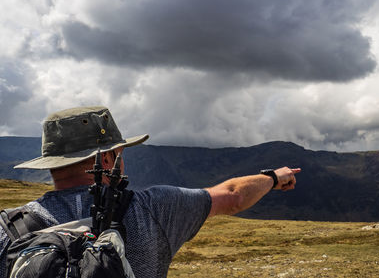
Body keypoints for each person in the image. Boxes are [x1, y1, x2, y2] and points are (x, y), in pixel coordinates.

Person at [0, 106, 300, 278]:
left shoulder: (8, 230)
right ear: (106, 159)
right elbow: (233, 196)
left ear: (51, 163)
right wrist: (274, 177)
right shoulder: (155, 209)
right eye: (118, 151)